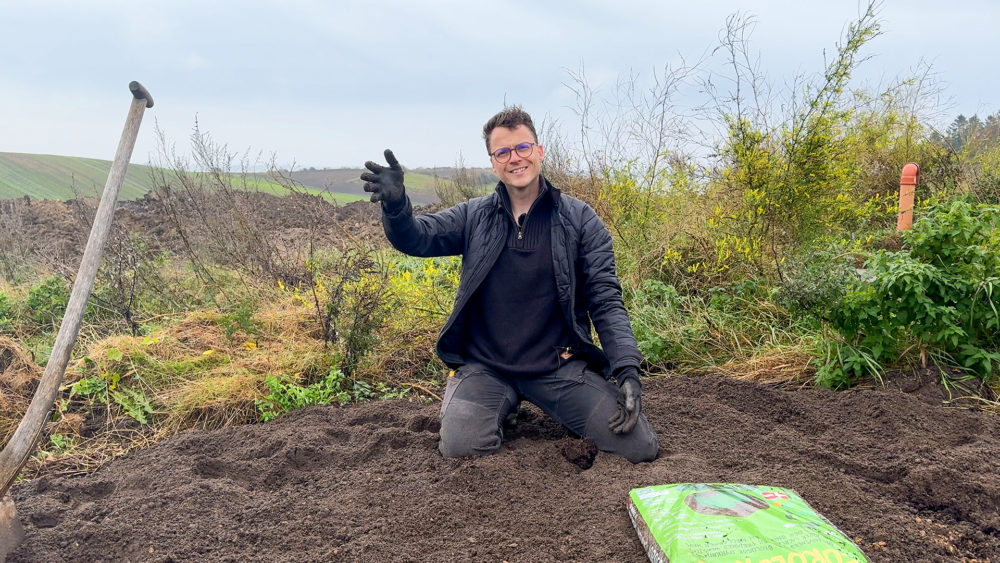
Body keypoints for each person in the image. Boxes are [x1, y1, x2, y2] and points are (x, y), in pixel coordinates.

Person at [360, 107, 658, 463]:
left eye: (522, 147)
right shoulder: (474, 216)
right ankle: (499, 404)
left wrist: (626, 369)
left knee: (638, 447)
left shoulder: (580, 221)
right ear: (493, 163)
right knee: (461, 448)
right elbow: (417, 238)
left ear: (539, 151)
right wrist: (397, 209)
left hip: (558, 367)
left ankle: (546, 405)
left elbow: (606, 300)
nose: (514, 158)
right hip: (487, 368)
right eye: (502, 152)